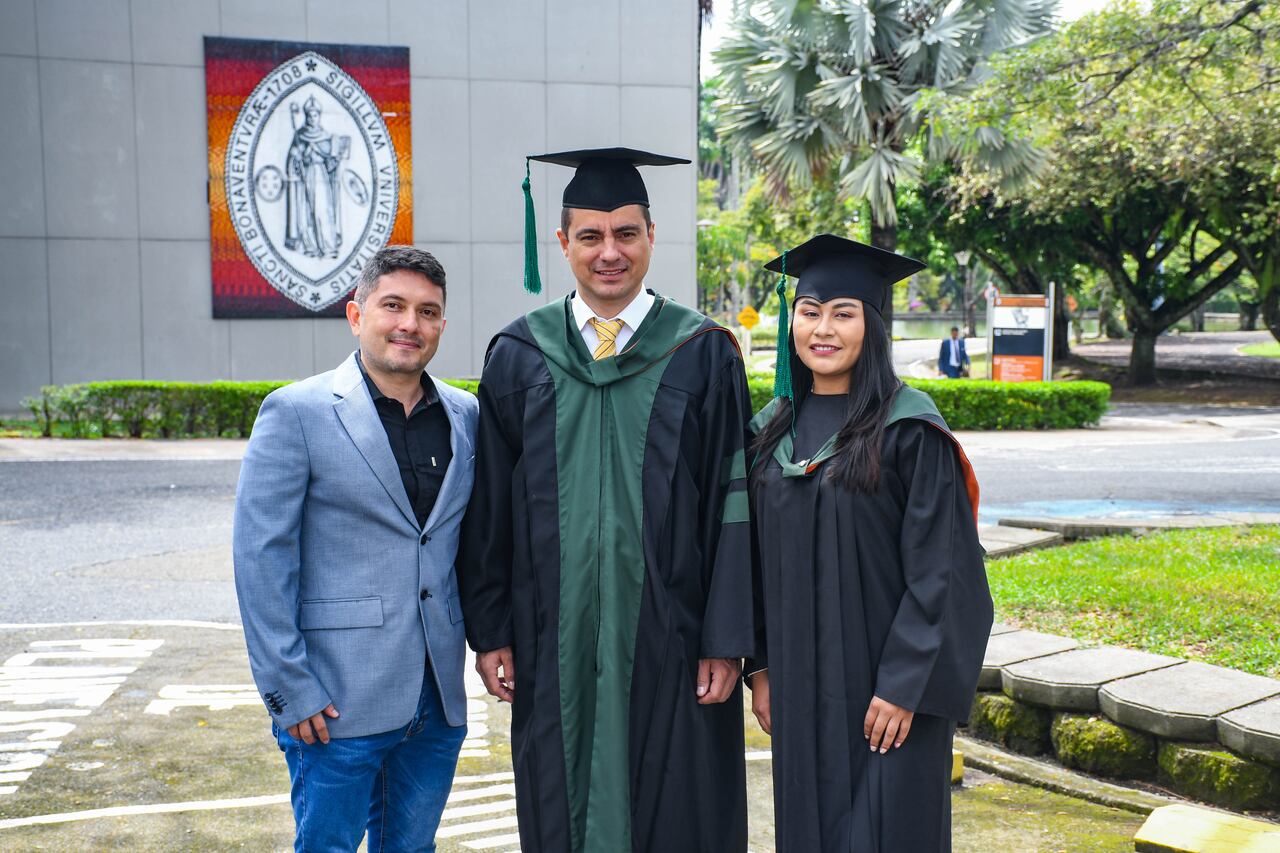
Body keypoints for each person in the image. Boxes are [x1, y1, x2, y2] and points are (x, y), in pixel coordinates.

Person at [458, 148, 754, 853]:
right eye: (590, 235)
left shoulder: (703, 353)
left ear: (653, 236)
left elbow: (734, 505)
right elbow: (489, 508)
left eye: (626, 233)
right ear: (562, 243)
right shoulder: (519, 355)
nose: (609, 251)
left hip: (674, 640)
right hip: (549, 637)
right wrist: (492, 627)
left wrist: (727, 639)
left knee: (678, 809)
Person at [746, 235, 993, 852]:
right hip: (800, 687)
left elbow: (945, 571)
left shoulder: (910, 429)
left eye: (844, 313)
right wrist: (762, 667)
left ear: (873, 325)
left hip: (885, 698)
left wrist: (904, 685)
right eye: (809, 311)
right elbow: (751, 561)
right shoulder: (770, 430)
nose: (822, 329)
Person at [233, 245, 477, 852]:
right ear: (355, 313)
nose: (409, 324)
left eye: (427, 311)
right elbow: (262, 560)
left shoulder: (467, 415)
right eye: (393, 306)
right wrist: (288, 687)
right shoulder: (295, 412)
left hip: (437, 697)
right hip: (334, 702)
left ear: (442, 324)